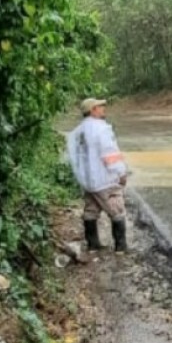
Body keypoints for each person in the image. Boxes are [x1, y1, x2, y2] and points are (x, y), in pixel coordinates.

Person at [66, 98, 129, 253]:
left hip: (87, 181)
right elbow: (109, 153)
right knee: (117, 210)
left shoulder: (77, 132)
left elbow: (73, 157)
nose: (103, 109)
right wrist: (121, 172)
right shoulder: (101, 129)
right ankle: (121, 248)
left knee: (90, 210)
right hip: (104, 179)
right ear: (93, 110)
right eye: (101, 106)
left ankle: (93, 245)